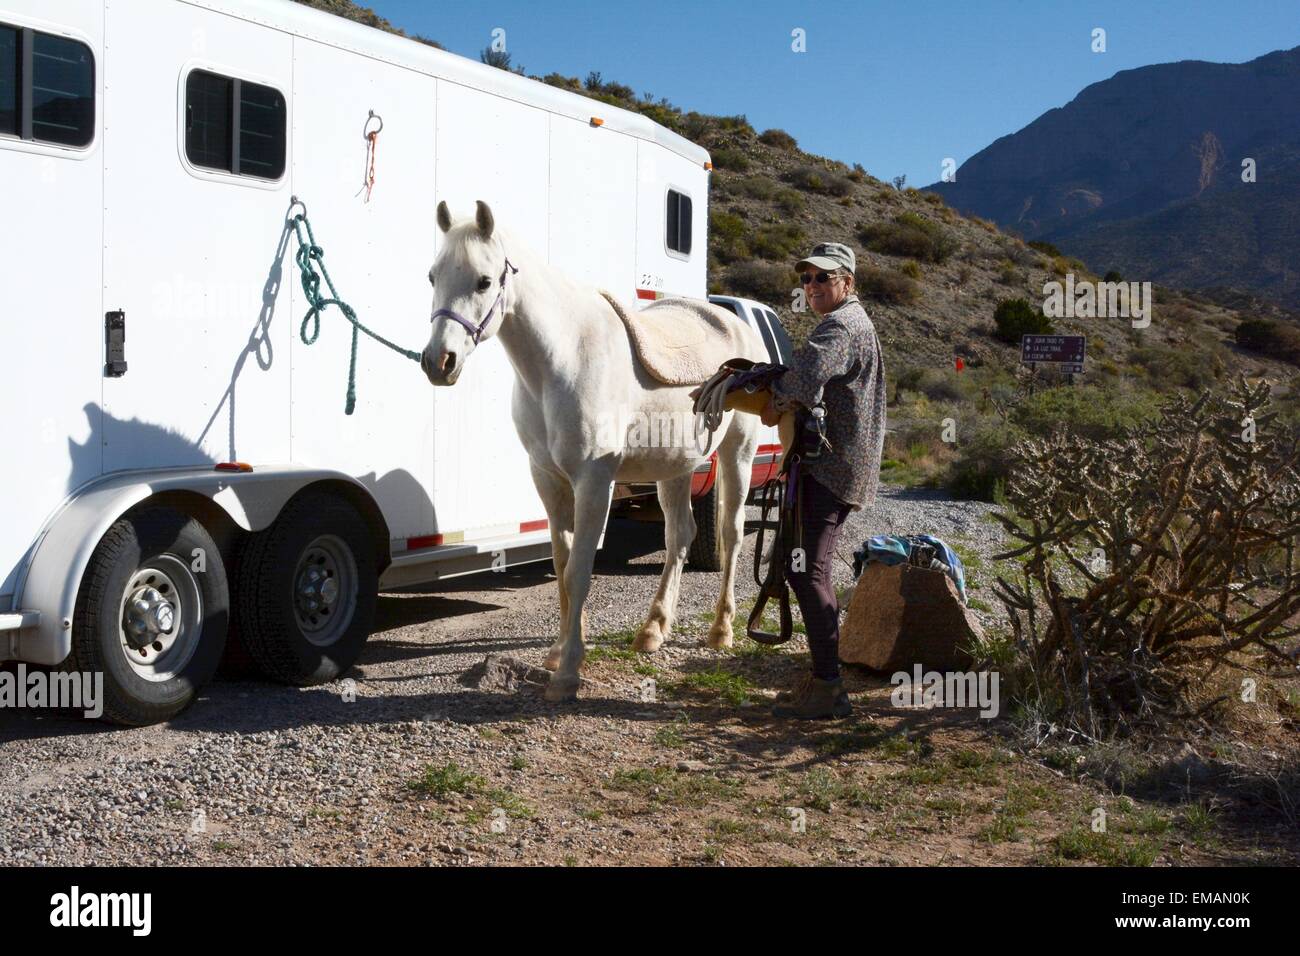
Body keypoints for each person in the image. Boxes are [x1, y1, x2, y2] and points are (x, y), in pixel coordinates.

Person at [760, 242, 887, 719]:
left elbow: (807, 375)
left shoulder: (840, 325)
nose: (811, 286)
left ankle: (829, 687)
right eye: (806, 278)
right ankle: (822, 679)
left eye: (823, 278)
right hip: (837, 466)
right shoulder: (856, 322)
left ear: (847, 283)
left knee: (806, 569)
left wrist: (772, 397)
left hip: (831, 469)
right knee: (804, 565)